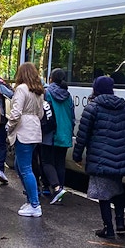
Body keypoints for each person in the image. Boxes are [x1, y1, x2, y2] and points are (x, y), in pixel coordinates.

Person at [72, 76, 125, 238]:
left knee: (103, 194)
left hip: (99, 158)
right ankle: (120, 223)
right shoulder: (123, 107)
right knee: (118, 189)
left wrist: (77, 155)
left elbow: (82, 136)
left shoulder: (92, 108)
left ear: (96, 89)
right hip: (120, 157)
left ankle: (108, 228)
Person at [6, 62, 44, 217]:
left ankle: (35, 204)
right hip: (35, 130)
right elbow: (41, 113)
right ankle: (31, 200)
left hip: (23, 131)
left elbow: (15, 113)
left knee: (25, 168)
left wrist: (8, 127)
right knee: (19, 164)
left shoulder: (21, 89)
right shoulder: (39, 91)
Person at [41, 68, 75, 204]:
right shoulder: (68, 95)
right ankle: (59, 191)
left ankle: (55, 188)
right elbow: (72, 116)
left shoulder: (47, 93)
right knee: (60, 163)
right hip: (64, 132)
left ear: (51, 79)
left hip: (50, 133)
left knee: (47, 161)